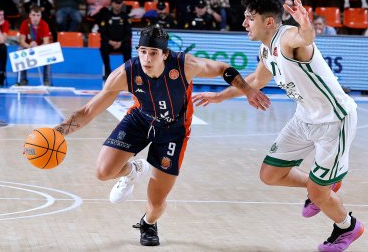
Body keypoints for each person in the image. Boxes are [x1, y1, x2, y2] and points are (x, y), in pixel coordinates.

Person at [53, 25, 269, 246]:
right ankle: (132, 170)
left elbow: (224, 68)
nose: (147, 58)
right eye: (143, 51)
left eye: (153, 53)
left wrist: (248, 89)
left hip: (174, 131)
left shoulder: (185, 65)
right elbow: (88, 111)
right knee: (103, 172)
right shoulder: (125, 73)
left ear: (165, 54)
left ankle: (148, 223)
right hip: (140, 120)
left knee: (156, 202)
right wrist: (56, 133)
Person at [192, 0, 364, 252]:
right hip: (304, 118)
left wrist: (305, 23)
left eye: (250, 18)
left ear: (269, 22)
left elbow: (305, 37)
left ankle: (347, 226)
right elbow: (255, 81)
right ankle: (321, 182)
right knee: (270, 174)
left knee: (319, 195)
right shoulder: (266, 50)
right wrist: (219, 97)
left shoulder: (288, 39)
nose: (244, 23)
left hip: (334, 121)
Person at [16, 5, 51, 86]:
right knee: (19, 50)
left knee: (49, 52)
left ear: (41, 16)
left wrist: (37, 48)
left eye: (38, 15)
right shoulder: (25, 23)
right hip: (28, 47)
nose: (36, 18)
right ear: (30, 15)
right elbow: (22, 41)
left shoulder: (45, 24)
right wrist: (30, 47)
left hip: (40, 48)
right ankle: (22, 80)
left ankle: (46, 80)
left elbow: (46, 42)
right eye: (34, 15)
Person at [99, 0, 131, 81]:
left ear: (122, 4)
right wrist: (110, 41)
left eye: (119, 3)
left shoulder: (125, 17)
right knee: (103, 45)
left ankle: (126, 73)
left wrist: (121, 42)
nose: (117, 5)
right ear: (112, 4)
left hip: (122, 43)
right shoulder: (106, 16)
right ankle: (108, 71)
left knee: (127, 46)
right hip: (109, 43)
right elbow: (102, 33)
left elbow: (129, 33)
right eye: (116, 3)